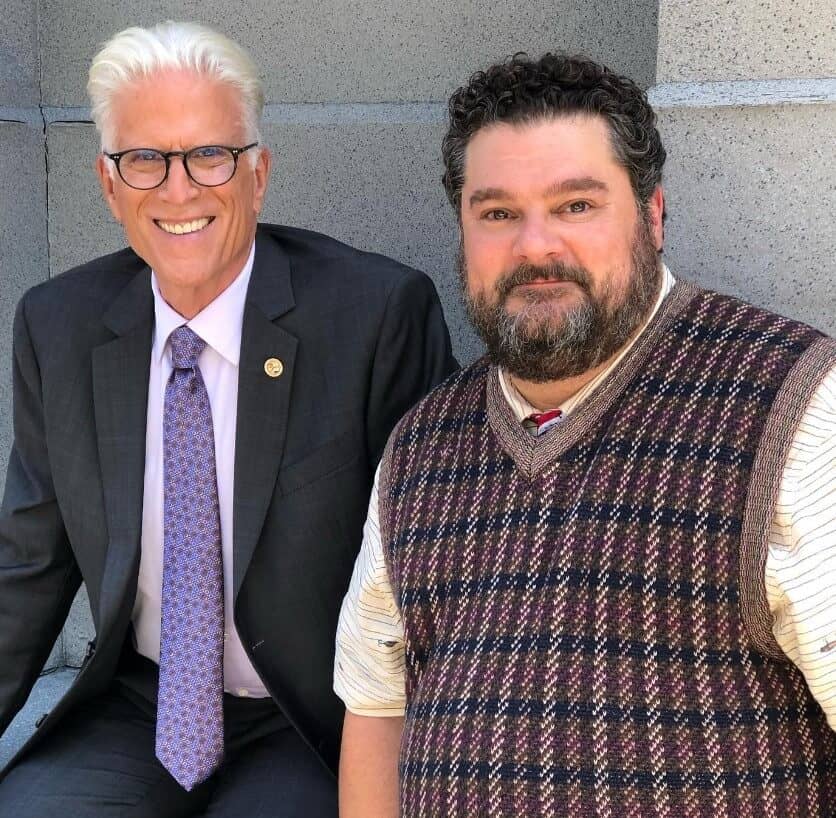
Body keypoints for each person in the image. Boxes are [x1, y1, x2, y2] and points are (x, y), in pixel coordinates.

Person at [335, 52, 836, 816]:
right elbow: (377, 708)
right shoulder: (421, 448)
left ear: (654, 215)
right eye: (497, 212)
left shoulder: (792, 408)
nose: (535, 246)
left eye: (576, 205)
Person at [0, 20, 456, 817]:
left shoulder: (376, 315)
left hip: (310, 719)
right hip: (134, 709)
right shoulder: (58, 326)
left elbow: (439, 565)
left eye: (210, 155)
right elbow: (26, 567)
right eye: (145, 159)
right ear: (109, 185)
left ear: (258, 174)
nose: (179, 190)